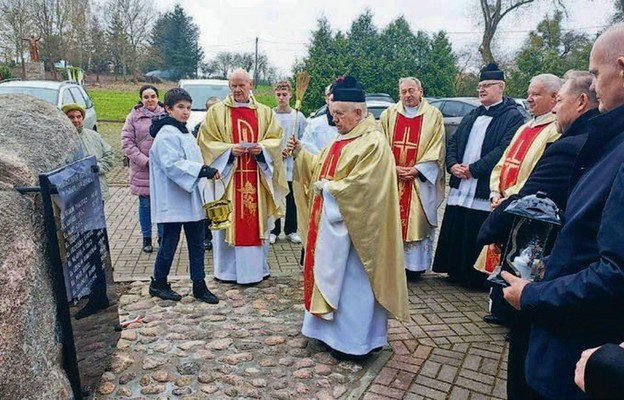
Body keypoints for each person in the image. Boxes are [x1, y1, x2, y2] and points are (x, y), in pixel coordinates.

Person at [501, 23, 624, 399]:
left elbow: (615, 272)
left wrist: (532, 296)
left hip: (580, 353)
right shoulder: (612, 140)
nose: (595, 83)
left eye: (598, 73)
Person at [477, 72, 600, 399]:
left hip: (550, 276)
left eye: (559, 100)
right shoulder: (601, 140)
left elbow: (530, 198)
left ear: (581, 102)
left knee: (529, 369)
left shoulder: (570, 146)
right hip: (581, 287)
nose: (554, 109)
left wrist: (490, 229)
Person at [290, 76, 409, 359]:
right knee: (331, 280)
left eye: (340, 115)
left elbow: (364, 188)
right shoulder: (341, 139)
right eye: (333, 115)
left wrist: (330, 190)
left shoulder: (373, 143)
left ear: (359, 112)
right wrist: (300, 154)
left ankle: (355, 344)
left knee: (354, 287)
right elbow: (320, 168)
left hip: (358, 236)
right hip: (331, 229)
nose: (335, 121)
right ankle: (325, 334)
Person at [432, 63, 525, 288]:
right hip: (462, 181)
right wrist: (453, 164)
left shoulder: (512, 116)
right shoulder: (472, 114)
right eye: (480, 86)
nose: (481, 90)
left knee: (475, 226)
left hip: (482, 183)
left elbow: (503, 149)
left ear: (501, 87)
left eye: (487, 85)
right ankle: (454, 270)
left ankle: (473, 276)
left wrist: (473, 169)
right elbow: (453, 141)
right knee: (458, 223)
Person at [478, 73, 561, 323]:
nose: (529, 98)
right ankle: (499, 306)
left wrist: (510, 197)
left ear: (554, 97)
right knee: (503, 255)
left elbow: (538, 173)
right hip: (505, 200)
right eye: (529, 92)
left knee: (521, 259)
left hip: (526, 207)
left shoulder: (552, 131)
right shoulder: (526, 126)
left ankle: (513, 312)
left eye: (536, 93)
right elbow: (504, 161)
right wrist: (495, 191)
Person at [197, 68, 288, 285]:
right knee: (229, 223)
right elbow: (205, 141)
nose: (237, 90)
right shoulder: (216, 112)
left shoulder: (265, 113)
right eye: (234, 85)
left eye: (241, 85)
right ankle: (227, 272)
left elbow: (276, 139)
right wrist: (228, 151)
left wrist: (263, 149)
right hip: (228, 180)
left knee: (256, 224)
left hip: (257, 178)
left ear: (251, 84)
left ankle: (256, 270)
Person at [148, 88, 220, 304]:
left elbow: (192, 158)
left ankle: (199, 284)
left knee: (197, 243)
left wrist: (204, 169)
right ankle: (158, 282)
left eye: (188, 108)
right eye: (180, 107)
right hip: (173, 199)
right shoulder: (166, 134)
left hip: (190, 197)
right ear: (168, 108)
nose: (186, 112)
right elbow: (172, 164)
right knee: (169, 243)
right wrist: (201, 170)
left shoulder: (183, 131)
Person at [379, 77, 445, 281]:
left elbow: (438, 146)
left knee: (417, 219)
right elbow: (379, 144)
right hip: (393, 178)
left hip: (419, 181)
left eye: (411, 91)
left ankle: (414, 267)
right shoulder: (388, 114)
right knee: (390, 221)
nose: (407, 95)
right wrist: (392, 167)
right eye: (403, 92)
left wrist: (417, 169)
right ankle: (391, 265)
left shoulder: (433, 115)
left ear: (420, 91)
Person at [121, 85, 165, 253]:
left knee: (162, 205)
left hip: (162, 169)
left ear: (157, 97)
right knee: (145, 205)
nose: (150, 100)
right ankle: (146, 238)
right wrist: (144, 161)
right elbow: (127, 143)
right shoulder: (133, 117)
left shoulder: (166, 115)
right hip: (143, 169)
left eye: (153, 96)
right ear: (141, 99)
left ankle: (163, 237)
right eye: (146, 97)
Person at [269, 81, 307, 245]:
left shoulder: (298, 116)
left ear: (291, 95)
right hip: (275, 164)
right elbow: (267, 139)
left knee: (292, 198)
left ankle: (291, 230)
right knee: (275, 196)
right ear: (275, 96)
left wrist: (296, 147)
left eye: (285, 94)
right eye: (279, 95)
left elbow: (305, 138)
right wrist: (277, 152)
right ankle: (273, 230)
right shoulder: (270, 115)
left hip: (292, 164)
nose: (282, 98)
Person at [62, 103, 114, 201]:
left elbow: (109, 155)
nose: (76, 120)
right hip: (72, 194)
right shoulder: (60, 140)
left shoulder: (94, 136)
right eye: (71, 117)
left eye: (78, 117)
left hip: (96, 190)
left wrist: (96, 167)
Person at [192, 96, 220, 251]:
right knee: (207, 205)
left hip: (223, 173)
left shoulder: (226, 127)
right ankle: (206, 237)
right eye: (211, 109)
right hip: (206, 172)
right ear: (207, 110)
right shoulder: (198, 128)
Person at [300, 84, 338, 155]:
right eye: (329, 95)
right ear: (326, 99)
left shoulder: (353, 124)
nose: (332, 97)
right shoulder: (314, 124)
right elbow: (306, 146)